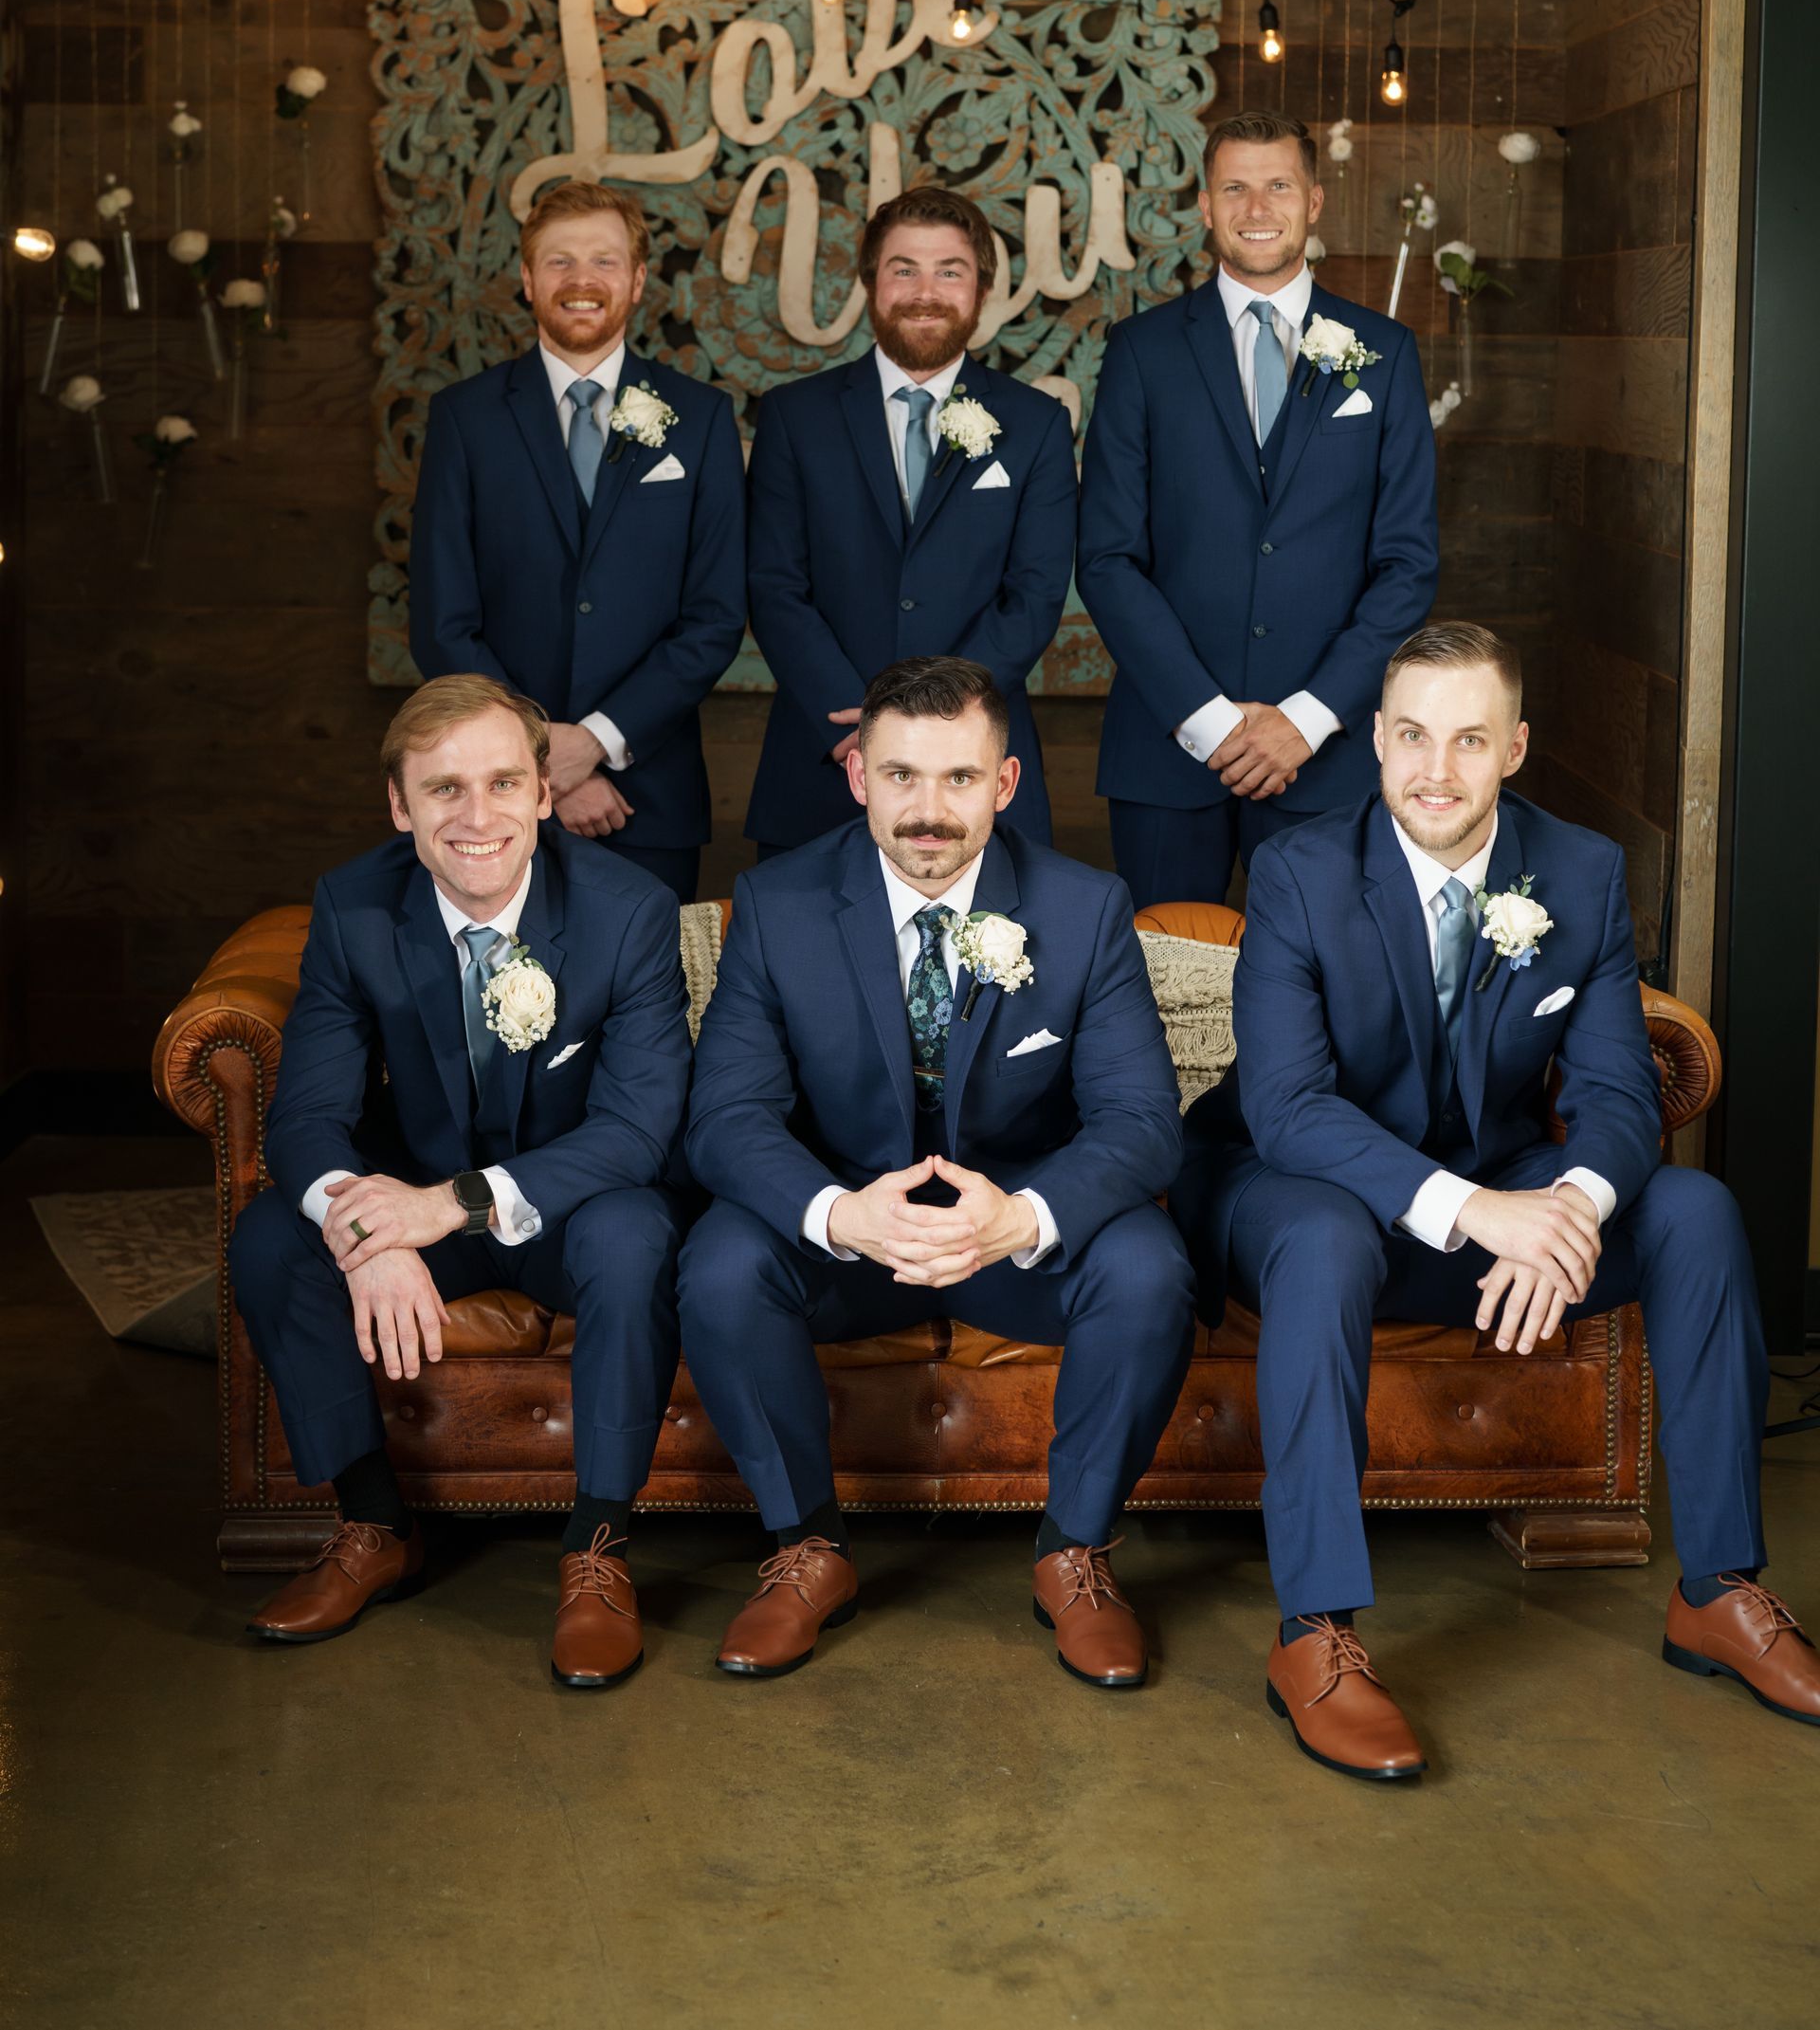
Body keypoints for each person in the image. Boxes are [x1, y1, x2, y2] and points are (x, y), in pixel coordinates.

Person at [1171, 622, 1818, 1780]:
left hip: (1501, 1191)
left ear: (1514, 748)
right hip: (1295, 1188)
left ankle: (1719, 1591)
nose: (1438, 769)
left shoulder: (1580, 870)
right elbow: (1286, 1107)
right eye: (1414, 736)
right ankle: (1315, 1632)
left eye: (1470, 740)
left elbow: (1618, 1093)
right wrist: (1479, 1212)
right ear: (1376, 741)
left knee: (1697, 1213)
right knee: (1322, 1237)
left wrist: (1566, 1207)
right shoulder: (1298, 872)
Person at [682, 654, 1195, 1687]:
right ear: (858, 777)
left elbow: (1142, 1121)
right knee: (720, 1264)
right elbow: (726, 1117)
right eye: (901, 775)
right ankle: (806, 1546)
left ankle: (1075, 1552)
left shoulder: (1085, 907)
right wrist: (838, 1213)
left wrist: (1023, 1216)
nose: (928, 810)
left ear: (1004, 783)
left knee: (1149, 1267)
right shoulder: (777, 904)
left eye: (959, 777)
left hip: (1011, 1232)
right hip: (850, 1232)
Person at [230, 674, 694, 1691]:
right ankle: (374, 1526)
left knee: (634, 1236)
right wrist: (366, 1230)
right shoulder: (355, 906)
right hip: (414, 1202)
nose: (476, 816)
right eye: (443, 789)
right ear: (401, 807)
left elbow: (635, 1130)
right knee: (269, 1239)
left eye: (502, 783)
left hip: (573, 1206)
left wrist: (441, 1207)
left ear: (544, 793)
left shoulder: (628, 911)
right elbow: (305, 1116)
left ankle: (598, 1548)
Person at [1078, 109, 1438, 911]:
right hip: (1168, 751)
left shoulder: (1384, 353)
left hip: (1329, 753)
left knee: (1331, 972)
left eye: (1278, 185)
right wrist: (1209, 720)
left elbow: (1408, 564)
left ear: (1313, 201)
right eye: (1234, 188)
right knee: (1164, 973)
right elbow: (1106, 557)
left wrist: (1306, 719)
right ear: (1206, 206)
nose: (1257, 207)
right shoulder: (1141, 351)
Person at [410, 177, 746, 905]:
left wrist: (594, 741)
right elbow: (443, 623)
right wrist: (539, 761)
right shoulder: (465, 419)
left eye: (604, 260)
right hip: (489, 806)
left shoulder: (701, 419)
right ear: (528, 278)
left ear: (637, 281)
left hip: (649, 798)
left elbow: (715, 617)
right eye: (560, 261)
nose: (581, 280)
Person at [744, 185, 1078, 858]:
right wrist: (855, 727)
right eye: (904, 270)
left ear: (982, 289)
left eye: (949, 271)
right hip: (826, 752)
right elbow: (774, 586)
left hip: (976, 757)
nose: (925, 293)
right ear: (870, 283)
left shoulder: (1037, 424)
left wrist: (943, 721)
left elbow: (1035, 593)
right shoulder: (794, 416)